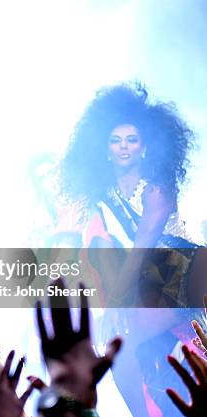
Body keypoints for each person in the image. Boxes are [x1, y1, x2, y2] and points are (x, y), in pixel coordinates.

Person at [59, 83, 207, 416]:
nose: (124, 147)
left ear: (144, 147)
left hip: (184, 268)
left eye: (132, 139)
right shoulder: (104, 196)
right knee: (129, 351)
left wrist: (116, 303)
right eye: (116, 140)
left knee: (124, 344)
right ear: (105, 149)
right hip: (151, 277)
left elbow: (142, 248)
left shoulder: (157, 187)